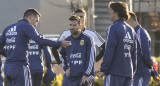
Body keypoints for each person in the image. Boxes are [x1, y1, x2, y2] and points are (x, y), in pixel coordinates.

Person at [0, 8, 70, 86]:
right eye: (36, 21)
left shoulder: (8, 28)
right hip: (20, 67)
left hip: (8, 68)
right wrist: (59, 43)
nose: (36, 25)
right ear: (31, 17)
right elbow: (40, 40)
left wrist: (10, 54)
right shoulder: (26, 25)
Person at [52, 8, 105, 86]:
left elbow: (105, 47)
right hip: (71, 73)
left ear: (85, 19)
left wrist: (95, 60)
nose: (79, 18)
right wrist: (62, 65)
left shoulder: (91, 35)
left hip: (85, 74)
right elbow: (55, 49)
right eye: (77, 16)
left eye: (81, 17)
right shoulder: (66, 34)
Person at [97, 1, 137, 86]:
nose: (109, 12)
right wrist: (132, 72)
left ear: (116, 12)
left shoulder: (113, 28)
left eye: (110, 10)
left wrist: (103, 69)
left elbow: (109, 50)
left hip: (114, 73)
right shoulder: (132, 30)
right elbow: (134, 54)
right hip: (128, 74)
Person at [127, 11, 160, 86]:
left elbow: (146, 56)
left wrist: (153, 72)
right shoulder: (133, 33)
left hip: (140, 74)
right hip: (134, 74)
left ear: (131, 21)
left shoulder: (141, 33)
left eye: (126, 23)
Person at [60, 15, 95, 86]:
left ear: (80, 26)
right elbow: (62, 55)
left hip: (85, 76)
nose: (72, 27)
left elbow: (91, 58)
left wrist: (86, 74)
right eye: (70, 25)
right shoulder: (67, 40)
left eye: (75, 25)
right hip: (71, 77)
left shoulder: (88, 39)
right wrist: (66, 68)